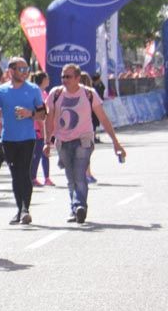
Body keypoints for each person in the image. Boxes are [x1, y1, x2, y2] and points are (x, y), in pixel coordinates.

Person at [44, 64, 126, 224]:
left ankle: (79, 206)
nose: (64, 79)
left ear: (77, 78)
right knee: (70, 177)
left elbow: (103, 118)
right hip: (63, 141)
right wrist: (47, 142)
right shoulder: (55, 94)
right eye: (63, 76)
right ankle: (75, 208)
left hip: (84, 140)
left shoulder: (89, 94)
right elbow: (49, 119)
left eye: (68, 76)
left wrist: (115, 142)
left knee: (79, 174)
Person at [0, 57, 45, 225]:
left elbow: (43, 114)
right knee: (15, 175)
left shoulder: (33, 89)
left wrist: (30, 113)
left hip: (28, 138)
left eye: (26, 69)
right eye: (21, 69)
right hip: (8, 139)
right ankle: (19, 209)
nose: (25, 72)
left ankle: (25, 209)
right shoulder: (1, 91)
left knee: (24, 173)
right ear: (11, 71)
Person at [29, 72, 55, 187]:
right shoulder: (36, 93)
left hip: (44, 126)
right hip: (37, 128)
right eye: (47, 78)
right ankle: (33, 177)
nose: (49, 80)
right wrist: (42, 128)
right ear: (42, 80)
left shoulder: (44, 93)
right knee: (37, 154)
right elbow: (39, 112)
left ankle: (47, 178)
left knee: (45, 153)